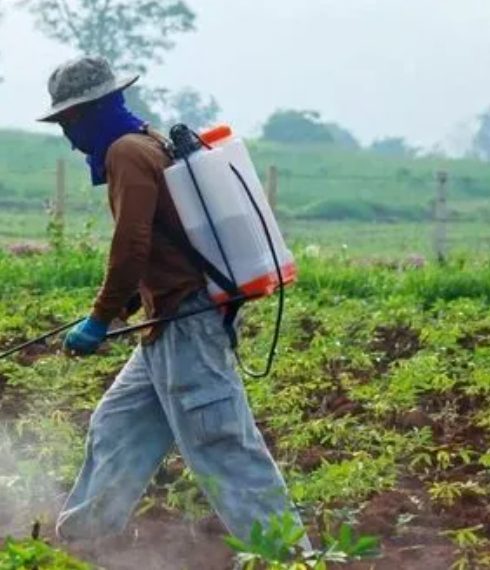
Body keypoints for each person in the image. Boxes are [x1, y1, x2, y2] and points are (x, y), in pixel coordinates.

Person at [39, 55, 309, 548]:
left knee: (222, 445)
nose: (67, 134)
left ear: (93, 110)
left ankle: (291, 558)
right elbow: (165, 243)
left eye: (69, 120)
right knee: (117, 426)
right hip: (166, 323)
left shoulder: (125, 152)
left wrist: (101, 317)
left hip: (185, 322)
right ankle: (80, 545)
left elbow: (133, 243)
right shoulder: (146, 141)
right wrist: (122, 310)